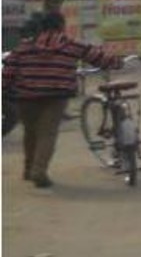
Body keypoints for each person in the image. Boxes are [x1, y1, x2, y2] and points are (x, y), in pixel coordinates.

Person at [2, 15, 121, 187]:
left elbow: (8, 72)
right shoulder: (72, 45)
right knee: (47, 133)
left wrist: (4, 91)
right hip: (56, 96)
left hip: (26, 97)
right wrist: (118, 63)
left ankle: (28, 169)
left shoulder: (23, 48)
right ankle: (39, 171)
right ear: (61, 26)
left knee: (31, 132)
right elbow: (99, 58)